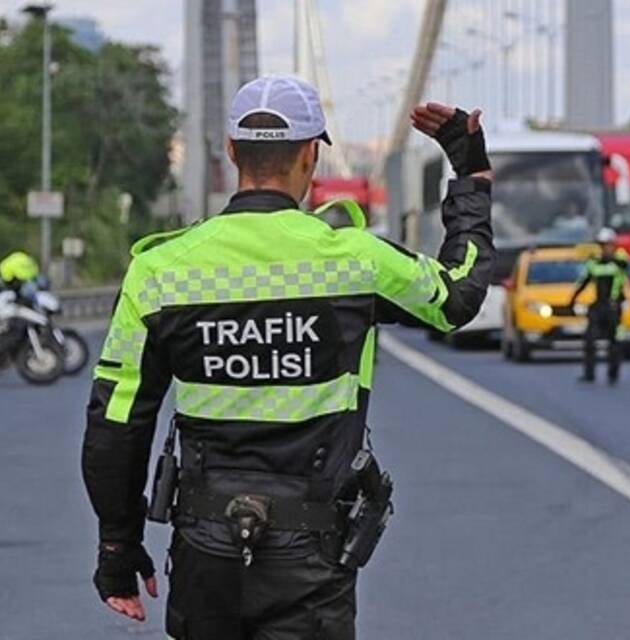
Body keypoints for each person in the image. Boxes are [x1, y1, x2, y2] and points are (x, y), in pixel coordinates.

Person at [81, 74, 493, 639]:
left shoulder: (160, 272)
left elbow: (116, 423)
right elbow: (457, 296)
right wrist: (469, 176)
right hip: (312, 557)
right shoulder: (353, 260)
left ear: (231, 152)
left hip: (205, 550)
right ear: (310, 155)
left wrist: (117, 546)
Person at [568, 228, 630, 384]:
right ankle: (589, 374)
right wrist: (572, 300)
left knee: (615, 342)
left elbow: (624, 264)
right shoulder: (593, 264)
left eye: (608, 245)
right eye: (603, 245)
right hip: (598, 306)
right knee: (590, 340)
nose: (605, 248)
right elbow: (583, 282)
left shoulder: (619, 261)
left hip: (614, 307)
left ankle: (613, 374)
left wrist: (612, 258)